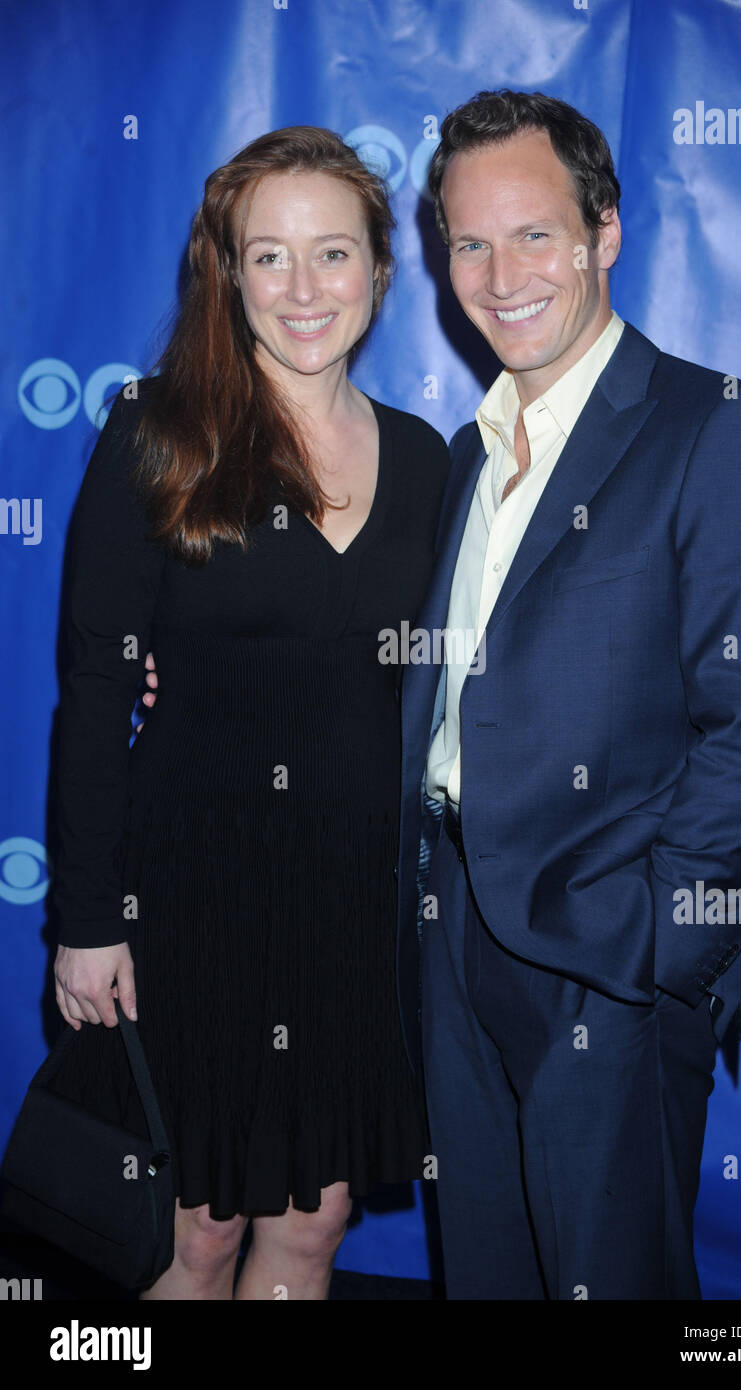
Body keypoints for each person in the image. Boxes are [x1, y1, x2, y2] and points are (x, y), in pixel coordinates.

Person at [395, 89, 741, 1299]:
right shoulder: (468, 456)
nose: (499, 272)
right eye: (468, 242)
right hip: (453, 944)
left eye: (534, 233)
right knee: (487, 1276)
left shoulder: (721, 427)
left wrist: (646, 939)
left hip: (609, 965)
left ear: (604, 232)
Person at [50, 125, 449, 1300]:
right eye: (267, 256)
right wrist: (86, 920)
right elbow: (96, 692)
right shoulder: (157, 432)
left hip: (354, 904)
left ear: (381, 269)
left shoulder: (431, 463)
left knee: (313, 1226)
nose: (303, 288)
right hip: (189, 895)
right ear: (224, 273)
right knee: (199, 1232)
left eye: (333, 253)